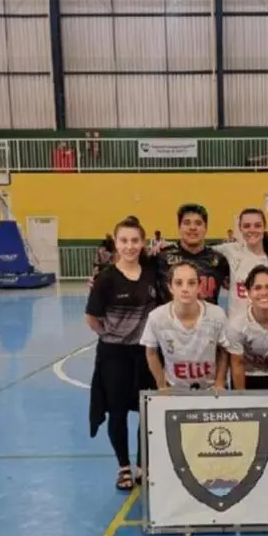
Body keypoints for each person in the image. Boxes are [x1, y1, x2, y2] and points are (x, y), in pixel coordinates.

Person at [85, 216, 160, 492]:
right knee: (117, 413)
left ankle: (142, 465)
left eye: (135, 240)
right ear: (115, 243)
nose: (130, 246)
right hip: (113, 355)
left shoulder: (151, 271)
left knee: (145, 412)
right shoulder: (105, 279)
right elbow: (91, 318)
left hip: (146, 354)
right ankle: (124, 467)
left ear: (143, 243)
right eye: (124, 241)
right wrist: (111, 335)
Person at [142, 262, 230, 392]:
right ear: (170, 287)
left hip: (210, 390)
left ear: (199, 286)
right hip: (175, 390)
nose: (185, 288)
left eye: (191, 283)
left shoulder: (216, 315)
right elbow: (151, 352)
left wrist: (220, 382)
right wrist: (161, 385)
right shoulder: (156, 317)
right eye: (178, 283)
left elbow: (224, 350)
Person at [224, 265, 268, 390]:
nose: (264, 293)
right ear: (248, 293)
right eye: (257, 288)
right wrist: (242, 400)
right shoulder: (237, 324)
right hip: (249, 374)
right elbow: (237, 364)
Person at [155, 204, 231, 305]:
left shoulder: (219, 260)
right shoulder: (161, 258)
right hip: (170, 319)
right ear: (179, 227)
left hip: (207, 319)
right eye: (187, 223)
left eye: (198, 223)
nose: (192, 228)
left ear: (205, 228)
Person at [214, 208, 268, 320]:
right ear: (240, 228)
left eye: (257, 225)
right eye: (247, 226)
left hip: (267, 328)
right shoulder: (230, 251)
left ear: (264, 227)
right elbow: (200, 251)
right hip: (236, 328)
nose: (252, 230)